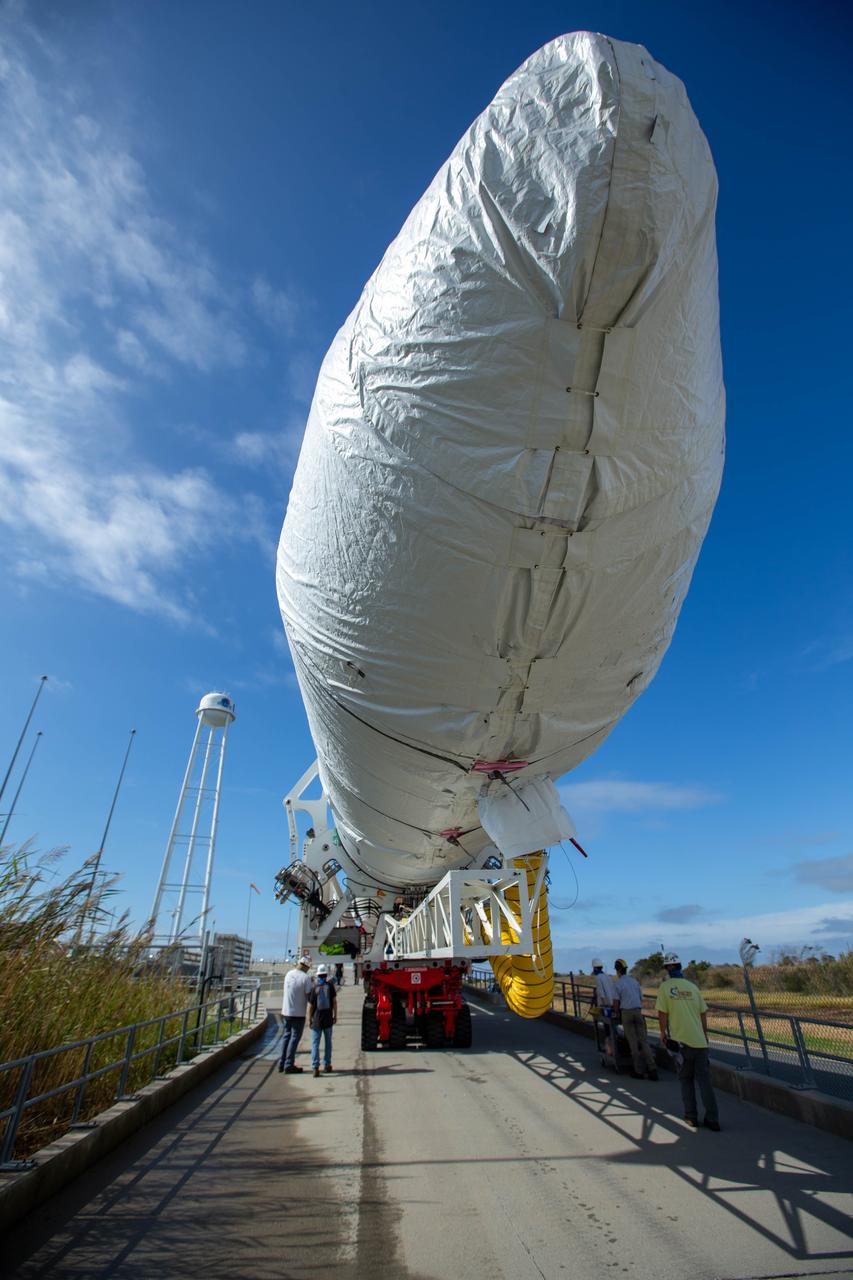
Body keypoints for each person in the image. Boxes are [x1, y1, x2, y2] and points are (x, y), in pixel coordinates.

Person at [656, 953, 720, 1130]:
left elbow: (662, 1013)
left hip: (681, 1042)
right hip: (700, 1042)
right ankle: (713, 1119)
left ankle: (691, 1116)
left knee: (685, 1080)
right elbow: (702, 1014)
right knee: (705, 1082)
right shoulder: (692, 987)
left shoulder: (665, 987)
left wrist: (662, 1033)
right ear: (680, 966)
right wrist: (704, 1035)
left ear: (668, 968)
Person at [613, 958, 658, 1080]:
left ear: (617, 971)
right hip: (638, 1012)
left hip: (626, 1013)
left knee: (633, 1042)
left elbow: (616, 1002)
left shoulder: (618, 984)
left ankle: (639, 1070)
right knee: (643, 1042)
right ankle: (652, 1068)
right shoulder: (634, 982)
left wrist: (616, 1012)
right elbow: (640, 997)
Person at [279, 955, 314, 1074]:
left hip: (286, 1011)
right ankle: (289, 1064)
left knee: (286, 1036)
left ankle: (282, 1063)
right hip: (298, 1013)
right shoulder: (305, 978)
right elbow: (309, 997)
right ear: (306, 967)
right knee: (294, 1038)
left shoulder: (288, 974)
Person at [308, 963, 337, 1077]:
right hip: (328, 1019)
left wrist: (309, 1019)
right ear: (326, 974)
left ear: (318, 975)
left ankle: (315, 1067)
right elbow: (334, 1002)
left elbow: (310, 1006)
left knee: (315, 1044)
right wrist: (335, 1015)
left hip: (316, 1020)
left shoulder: (314, 987)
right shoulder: (330, 987)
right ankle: (327, 1065)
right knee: (328, 1043)